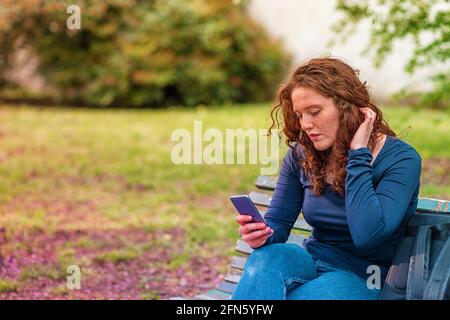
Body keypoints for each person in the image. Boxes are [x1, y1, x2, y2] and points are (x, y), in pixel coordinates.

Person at [231, 57, 422, 300]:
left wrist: (358, 156)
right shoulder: (303, 154)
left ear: (347, 107)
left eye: (314, 112)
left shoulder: (400, 159)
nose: (306, 125)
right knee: (266, 257)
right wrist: (262, 234)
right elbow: (278, 223)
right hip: (310, 261)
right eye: (300, 115)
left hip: (363, 277)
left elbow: (368, 236)